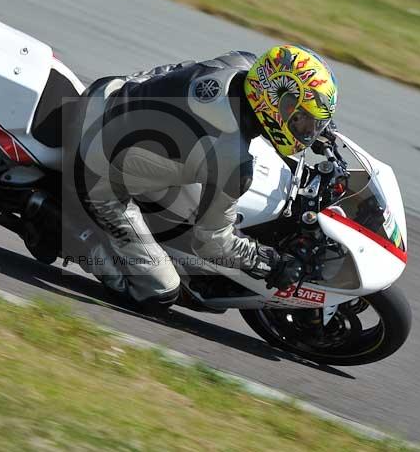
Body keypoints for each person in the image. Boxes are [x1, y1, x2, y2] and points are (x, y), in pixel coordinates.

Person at [66, 45, 338, 312]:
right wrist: (270, 262)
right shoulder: (231, 159)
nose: (306, 130)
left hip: (109, 92)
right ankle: (72, 232)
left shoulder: (241, 63)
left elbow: (173, 72)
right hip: (94, 172)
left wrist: (320, 130)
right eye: (302, 119)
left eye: (313, 123)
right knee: (159, 292)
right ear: (274, 100)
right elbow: (211, 244)